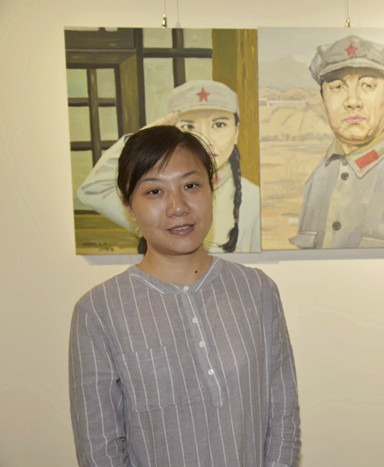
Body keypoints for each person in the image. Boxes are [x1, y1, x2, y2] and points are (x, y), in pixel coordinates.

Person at [69, 126, 300, 466]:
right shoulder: (99, 311)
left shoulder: (257, 290)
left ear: (211, 189)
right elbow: (98, 447)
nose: (178, 207)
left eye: (191, 186)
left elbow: (283, 416)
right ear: (129, 207)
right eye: (154, 192)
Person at [290, 35, 384, 249]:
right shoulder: (317, 180)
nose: (353, 101)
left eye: (367, 85)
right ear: (322, 101)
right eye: (337, 87)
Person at [78, 80, 261, 253]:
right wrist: (146, 137)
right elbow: (92, 190)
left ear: (236, 132)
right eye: (189, 126)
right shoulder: (149, 203)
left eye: (219, 124)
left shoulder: (253, 199)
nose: (205, 139)